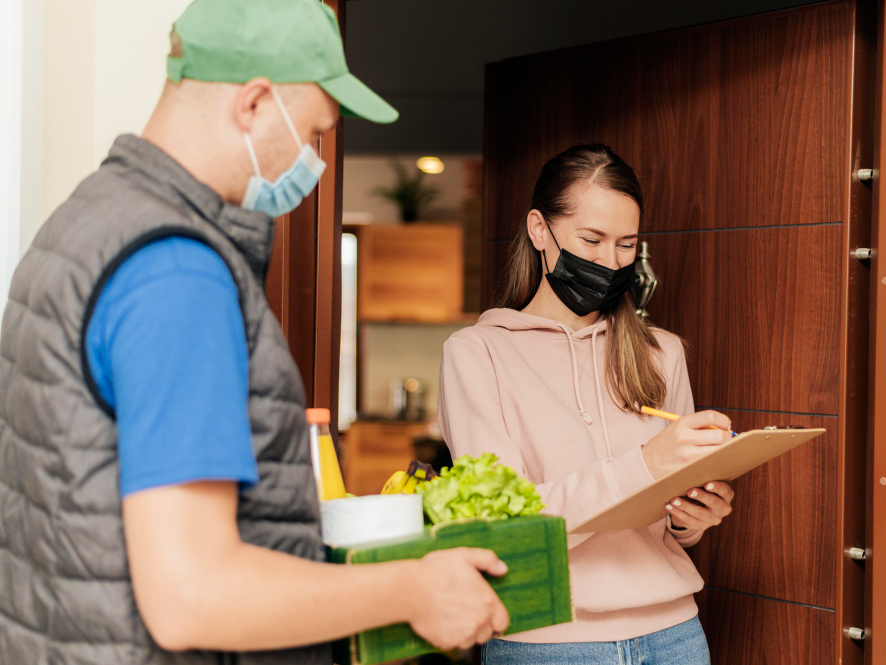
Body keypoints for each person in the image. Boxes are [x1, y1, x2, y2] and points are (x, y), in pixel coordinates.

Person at [0, 1, 508, 663]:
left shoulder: (84, 223)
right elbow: (192, 592)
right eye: (314, 132)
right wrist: (413, 588)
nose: (315, 158)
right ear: (255, 104)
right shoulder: (177, 272)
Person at [438, 143, 736, 664]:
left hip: (675, 636)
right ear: (540, 231)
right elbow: (511, 532)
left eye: (627, 244)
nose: (610, 260)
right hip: (543, 643)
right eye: (592, 239)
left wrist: (696, 516)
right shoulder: (477, 353)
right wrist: (644, 466)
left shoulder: (660, 353)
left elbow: (672, 526)